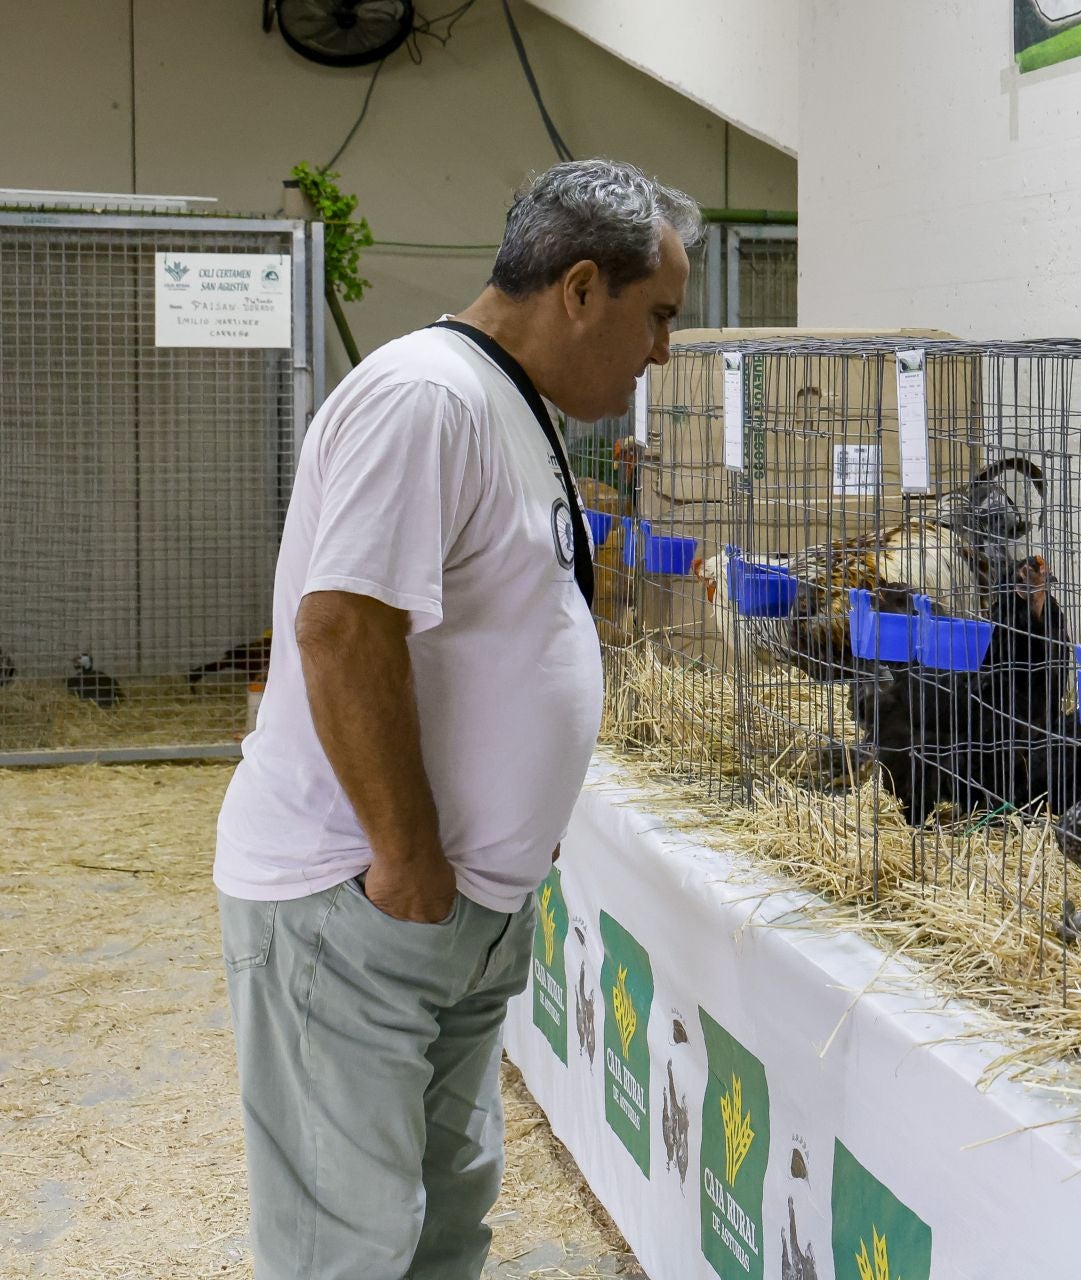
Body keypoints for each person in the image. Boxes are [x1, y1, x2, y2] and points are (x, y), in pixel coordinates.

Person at [213, 158, 699, 1280]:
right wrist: (408, 857)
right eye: (657, 316)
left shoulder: (508, 405)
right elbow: (340, 631)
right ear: (582, 288)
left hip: (449, 913)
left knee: (440, 1223)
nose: (661, 352)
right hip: (361, 898)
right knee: (351, 1241)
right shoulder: (428, 397)